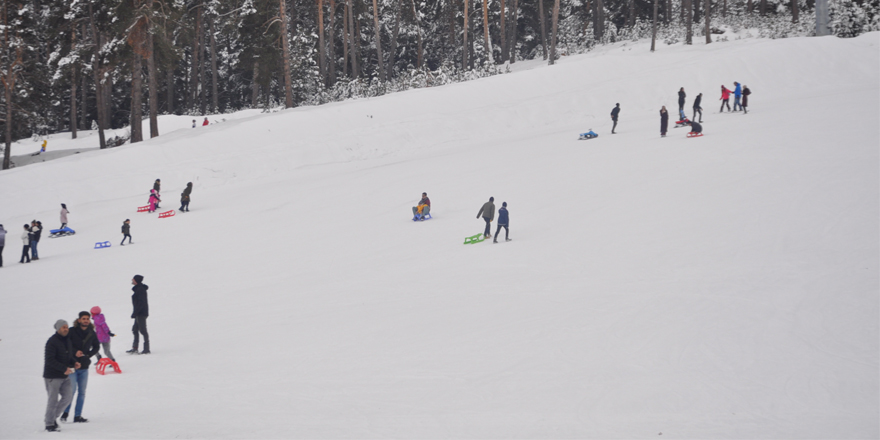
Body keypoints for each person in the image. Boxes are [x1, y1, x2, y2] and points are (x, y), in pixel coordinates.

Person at [61, 311, 100, 423]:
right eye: (83, 318)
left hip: (84, 366)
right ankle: (65, 413)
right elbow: (65, 345)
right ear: (79, 320)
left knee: (82, 392)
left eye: (87, 318)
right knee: (71, 391)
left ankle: (78, 416)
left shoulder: (92, 333)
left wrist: (88, 355)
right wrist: (74, 352)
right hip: (71, 366)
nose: (86, 320)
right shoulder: (72, 331)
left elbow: (96, 347)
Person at [44, 319, 78, 432]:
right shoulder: (52, 341)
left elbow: (68, 356)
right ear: (58, 329)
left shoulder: (67, 340)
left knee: (67, 397)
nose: (66, 329)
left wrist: (74, 362)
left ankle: (52, 418)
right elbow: (49, 360)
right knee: (52, 401)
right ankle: (49, 424)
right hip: (52, 376)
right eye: (63, 327)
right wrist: (64, 368)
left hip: (64, 375)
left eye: (67, 327)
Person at [127, 275, 150, 355]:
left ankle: (146, 349)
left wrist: (135, 313)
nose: (132, 281)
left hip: (141, 313)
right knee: (135, 329)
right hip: (139, 313)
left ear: (136, 281)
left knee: (143, 330)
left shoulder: (140, 290)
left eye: (133, 279)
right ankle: (135, 347)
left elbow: (141, 303)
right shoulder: (138, 289)